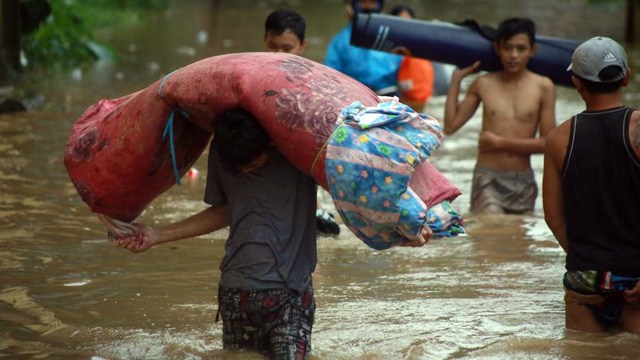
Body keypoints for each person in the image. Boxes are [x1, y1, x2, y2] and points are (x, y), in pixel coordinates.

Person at [114, 108, 432, 358]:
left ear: (268, 144)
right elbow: (226, 210)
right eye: (240, 166)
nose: (247, 169)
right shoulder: (227, 153)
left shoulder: (299, 153)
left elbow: (351, 196)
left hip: (288, 295)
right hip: (236, 292)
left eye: (253, 163)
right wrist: (157, 235)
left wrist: (400, 232)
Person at [543, 36, 640, 333]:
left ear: (576, 82)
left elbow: (553, 215)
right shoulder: (637, 129)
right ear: (626, 77)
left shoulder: (558, 138)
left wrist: (587, 258)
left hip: (584, 281)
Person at [444, 17, 556, 214]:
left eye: (521, 49)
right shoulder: (483, 84)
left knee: (517, 241)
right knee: (491, 229)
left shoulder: (544, 87)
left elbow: (548, 143)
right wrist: (456, 81)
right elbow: (450, 126)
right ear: (497, 48)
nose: (513, 55)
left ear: (533, 50)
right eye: (507, 48)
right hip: (487, 178)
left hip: (523, 180)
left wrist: (499, 143)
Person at [263, 9, 341, 235]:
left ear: (302, 47)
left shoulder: (314, 88)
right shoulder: (252, 81)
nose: (278, 54)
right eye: (272, 46)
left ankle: (316, 209)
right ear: (264, 41)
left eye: (287, 49)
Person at [324, 0, 402, 96]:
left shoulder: (395, 36)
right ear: (353, 5)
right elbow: (330, 75)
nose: (368, 6)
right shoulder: (340, 41)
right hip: (354, 95)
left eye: (372, 2)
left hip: (390, 94)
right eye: (363, 1)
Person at [388, 4, 434, 112]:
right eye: (400, 22)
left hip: (413, 104)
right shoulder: (383, 51)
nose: (404, 28)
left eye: (408, 23)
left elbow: (420, 98)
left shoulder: (419, 55)